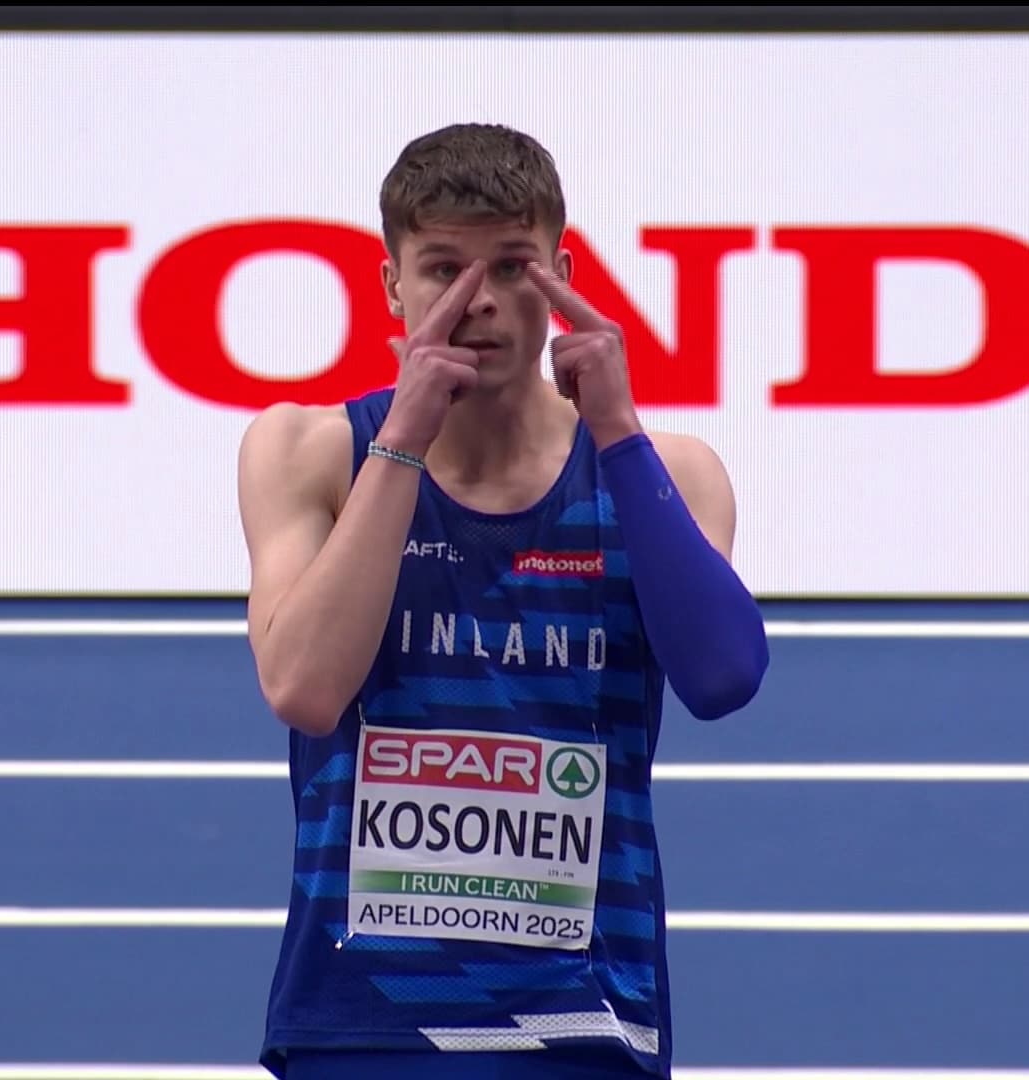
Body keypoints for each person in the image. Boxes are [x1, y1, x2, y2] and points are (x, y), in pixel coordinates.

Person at [236, 122, 770, 1080]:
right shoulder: (310, 452)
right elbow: (305, 689)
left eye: (513, 268)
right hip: (363, 1019)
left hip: (585, 1022)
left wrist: (618, 430)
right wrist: (403, 441)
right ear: (392, 285)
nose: (477, 301)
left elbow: (724, 677)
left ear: (562, 277)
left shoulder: (665, 472)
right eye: (444, 269)